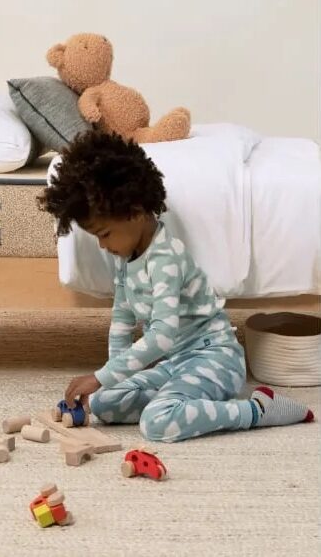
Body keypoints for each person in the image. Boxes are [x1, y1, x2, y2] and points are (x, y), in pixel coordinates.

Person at [38, 130, 314, 442]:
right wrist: (110, 381)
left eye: (105, 233)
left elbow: (161, 337)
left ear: (136, 211)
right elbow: (122, 320)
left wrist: (99, 377)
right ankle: (186, 400)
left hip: (214, 358)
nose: (102, 245)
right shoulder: (126, 257)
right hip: (177, 363)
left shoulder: (165, 259)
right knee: (103, 403)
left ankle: (256, 410)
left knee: (157, 424)